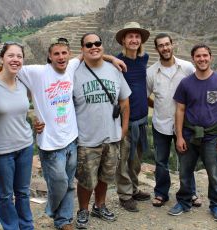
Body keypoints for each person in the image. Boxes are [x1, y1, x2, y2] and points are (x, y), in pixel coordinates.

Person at [17, 37, 126, 230]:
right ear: (49, 57)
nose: (60, 57)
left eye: (64, 53)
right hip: (51, 142)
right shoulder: (39, 72)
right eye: (56, 54)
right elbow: (10, 68)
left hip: (72, 139)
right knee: (60, 182)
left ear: (69, 55)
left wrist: (111, 58)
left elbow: (91, 53)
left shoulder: (71, 67)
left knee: (69, 183)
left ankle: (64, 220)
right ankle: (53, 210)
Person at [73, 33, 131, 229]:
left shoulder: (114, 70)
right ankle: (83, 209)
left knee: (105, 176)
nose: (94, 47)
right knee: (86, 179)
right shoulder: (74, 72)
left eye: (97, 43)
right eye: (88, 44)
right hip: (86, 138)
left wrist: (123, 129)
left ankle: (100, 205)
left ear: (102, 46)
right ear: (82, 49)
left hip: (111, 136)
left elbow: (124, 100)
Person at [169, 44, 217, 222]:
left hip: (213, 135)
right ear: (193, 58)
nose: (202, 59)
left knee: (213, 172)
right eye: (198, 56)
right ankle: (183, 201)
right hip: (189, 134)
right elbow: (180, 110)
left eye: (205, 55)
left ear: (210, 57)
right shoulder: (186, 83)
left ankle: (216, 205)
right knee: (185, 171)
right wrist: (179, 136)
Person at [146, 33, 201, 208]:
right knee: (161, 161)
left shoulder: (187, 67)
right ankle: (161, 193)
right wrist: (158, 105)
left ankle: (190, 192)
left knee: (186, 161)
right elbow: (146, 95)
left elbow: (198, 87)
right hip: (160, 123)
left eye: (167, 44)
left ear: (173, 45)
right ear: (156, 49)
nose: (165, 48)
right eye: (161, 45)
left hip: (184, 125)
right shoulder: (151, 72)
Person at [0, 42, 34, 230]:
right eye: (10, 56)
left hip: (25, 145)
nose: (15, 60)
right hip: (1, 150)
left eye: (19, 56)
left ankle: (27, 226)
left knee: (22, 192)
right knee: (5, 195)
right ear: (1, 58)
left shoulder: (23, 83)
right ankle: (11, 227)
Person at [114, 22, 151, 212]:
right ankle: (125, 195)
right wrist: (108, 58)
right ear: (123, 40)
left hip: (141, 119)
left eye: (137, 36)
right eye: (130, 36)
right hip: (124, 120)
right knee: (123, 160)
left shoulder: (144, 59)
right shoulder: (116, 62)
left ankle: (134, 189)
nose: (134, 40)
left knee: (136, 160)